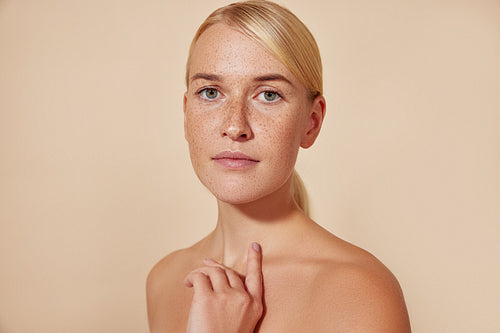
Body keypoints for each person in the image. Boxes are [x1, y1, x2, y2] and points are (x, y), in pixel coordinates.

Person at [146, 1, 411, 332]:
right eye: (211, 92)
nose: (234, 126)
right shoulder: (164, 281)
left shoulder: (358, 292)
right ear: (186, 115)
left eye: (268, 95)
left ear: (311, 122)